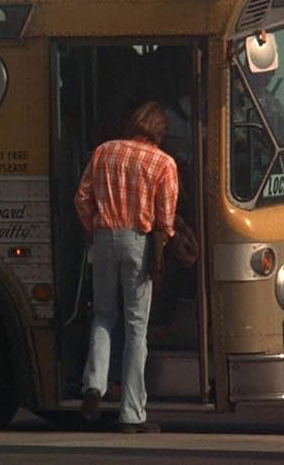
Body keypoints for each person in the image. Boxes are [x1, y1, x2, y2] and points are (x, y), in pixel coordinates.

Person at [74, 100, 178, 434]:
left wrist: (95, 230)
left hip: (104, 238)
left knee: (103, 314)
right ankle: (132, 414)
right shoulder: (163, 162)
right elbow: (165, 217)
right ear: (159, 131)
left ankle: (93, 384)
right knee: (136, 326)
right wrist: (160, 251)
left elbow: (82, 197)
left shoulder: (104, 151)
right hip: (138, 242)